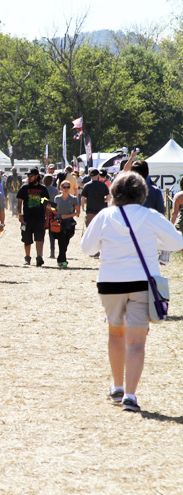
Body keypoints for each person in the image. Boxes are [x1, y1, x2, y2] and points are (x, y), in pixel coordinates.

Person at [80, 172, 183, 412]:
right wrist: (154, 243)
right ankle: (130, 395)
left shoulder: (105, 215)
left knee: (116, 335)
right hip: (141, 283)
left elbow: (87, 248)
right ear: (143, 193)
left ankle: (116, 386)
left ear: (114, 193)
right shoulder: (150, 216)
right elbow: (177, 243)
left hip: (110, 282)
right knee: (137, 342)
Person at [16, 168, 49, 266]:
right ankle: (27, 257)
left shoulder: (42, 189)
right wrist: (19, 214)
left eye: (31, 176)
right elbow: (19, 202)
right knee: (26, 238)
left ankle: (39, 257)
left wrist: (47, 217)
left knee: (39, 238)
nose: (29, 178)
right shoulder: (24, 188)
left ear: (37, 176)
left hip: (39, 218)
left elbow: (46, 203)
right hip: (26, 218)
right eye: (28, 176)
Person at [50, 179, 81, 269]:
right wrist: (51, 209)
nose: (66, 188)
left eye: (68, 187)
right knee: (61, 241)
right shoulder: (57, 198)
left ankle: (60, 257)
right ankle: (63, 261)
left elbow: (78, 212)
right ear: (61, 188)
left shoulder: (73, 198)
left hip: (69, 223)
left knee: (66, 241)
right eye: (64, 187)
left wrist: (67, 216)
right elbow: (55, 211)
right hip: (59, 223)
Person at [42, 175, 59, 258]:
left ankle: (40, 252)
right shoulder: (55, 190)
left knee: (41, 233)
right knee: (52, 233)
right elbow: (57, 201)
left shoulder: (42, 189)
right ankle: (52, 251)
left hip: (43, 211)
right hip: (52, 211)